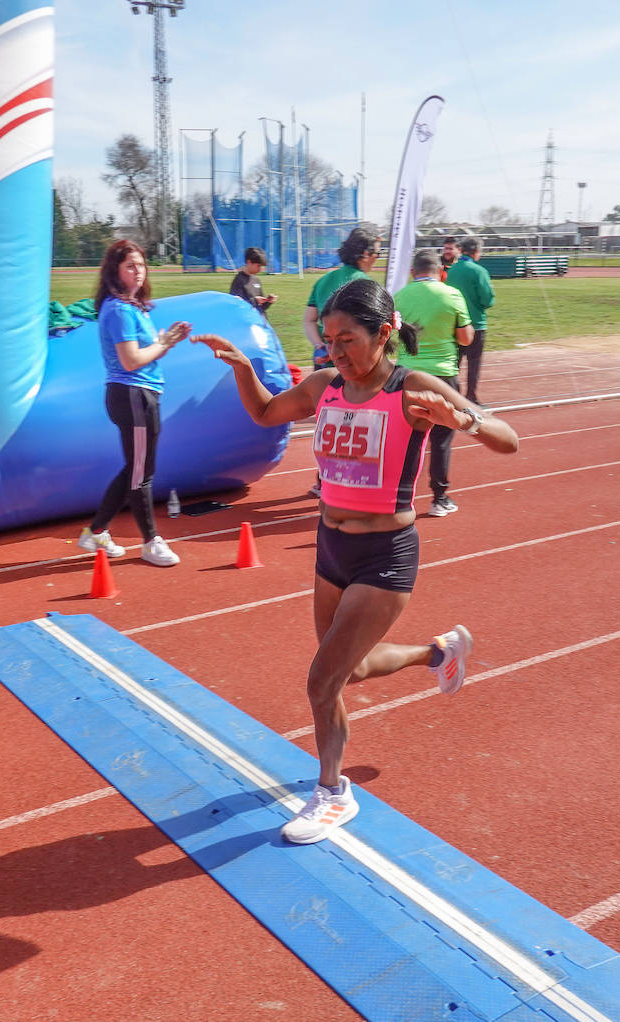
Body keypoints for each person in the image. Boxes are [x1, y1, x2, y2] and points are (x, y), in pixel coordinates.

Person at [192, 277, 518, 844]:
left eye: (347, 340)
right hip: (330, 548)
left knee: (322, 681)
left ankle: (332, 793)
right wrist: (242, 366)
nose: (334, 351)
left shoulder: (411, 388)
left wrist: (459, 418)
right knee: (353, 669)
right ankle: (436, 653)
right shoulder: (324, 386)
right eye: (329, 339)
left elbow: (508, 438)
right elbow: (268, 413)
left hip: (384, 555)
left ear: (384, 334)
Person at [78, 240, 192, 567]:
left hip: (140, 394)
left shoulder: (133, 308)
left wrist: (163, 341)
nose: (138, 271)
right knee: (141, 473)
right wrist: (165, 344)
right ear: (115, 271)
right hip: (132, 394)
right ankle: (151, 541)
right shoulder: (118, 310)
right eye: (130, 265)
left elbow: (145, 352)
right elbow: (131, 361)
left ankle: (96, 531)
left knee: (135, 469)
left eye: (141, 265)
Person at [393, 249, 473, 518]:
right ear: (441, 272)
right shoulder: (451, 295)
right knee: (440, 440)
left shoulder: (400, 296)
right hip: (442, 377)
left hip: (407, 377)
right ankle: (439, 498)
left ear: (413, 272)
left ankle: (399, 500)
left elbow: (393, 336)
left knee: (407, 439)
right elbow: (465, 339)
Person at [303, 227, 381, 497]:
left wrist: (320, 345)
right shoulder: (365, 284)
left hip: (325, 361)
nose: (377, 259)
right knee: (357, 424)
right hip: (353, 365)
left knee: (328, 423)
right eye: (377, 253)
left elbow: (309, 318)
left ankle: (322, 479)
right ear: (364, 253)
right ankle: (345, 482)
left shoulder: (325, 280)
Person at [444, 237, 496, 404]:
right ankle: (471, 396)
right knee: (474, 363)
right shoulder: (479, 271)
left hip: (454, 323)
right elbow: (487, 300)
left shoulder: (451, 270)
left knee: (454, 363)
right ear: (476, 252)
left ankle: (451, 395)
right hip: (476, 324)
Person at [229, 247, 276, 315]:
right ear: (249, 262)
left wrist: (268, 302)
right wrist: (255, 301)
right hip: (248, 323)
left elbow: (261, 308)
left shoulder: (256, 280)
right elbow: (236, 306)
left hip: (260, 322)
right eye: (258, 266)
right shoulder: (239, 280)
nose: (260, 269)